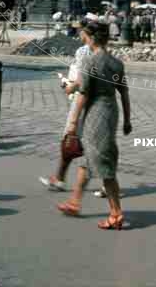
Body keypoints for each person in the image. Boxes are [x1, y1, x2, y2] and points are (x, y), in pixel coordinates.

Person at [57, 22, 132, 229]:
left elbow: (83, 94)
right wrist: (127, 119)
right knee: (91, 157)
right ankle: (75, 202)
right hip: (111, 112)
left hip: (95, 114)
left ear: (90, 38)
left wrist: (72, 122)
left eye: (84, 34)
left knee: (103, 163)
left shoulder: (90, 61)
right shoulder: (116, 63)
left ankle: (116, 213)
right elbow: (124, 93)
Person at [39, 19, 91, 191]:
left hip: (81, 99)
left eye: (80, 30)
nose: (77, 33)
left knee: (71, 139)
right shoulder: (95, 51)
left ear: (86, 32)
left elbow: (83, 80)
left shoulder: (84, 51)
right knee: (78, 141)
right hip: (86, 99)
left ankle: (60, 179)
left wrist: (69, 86)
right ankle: (59, 178)